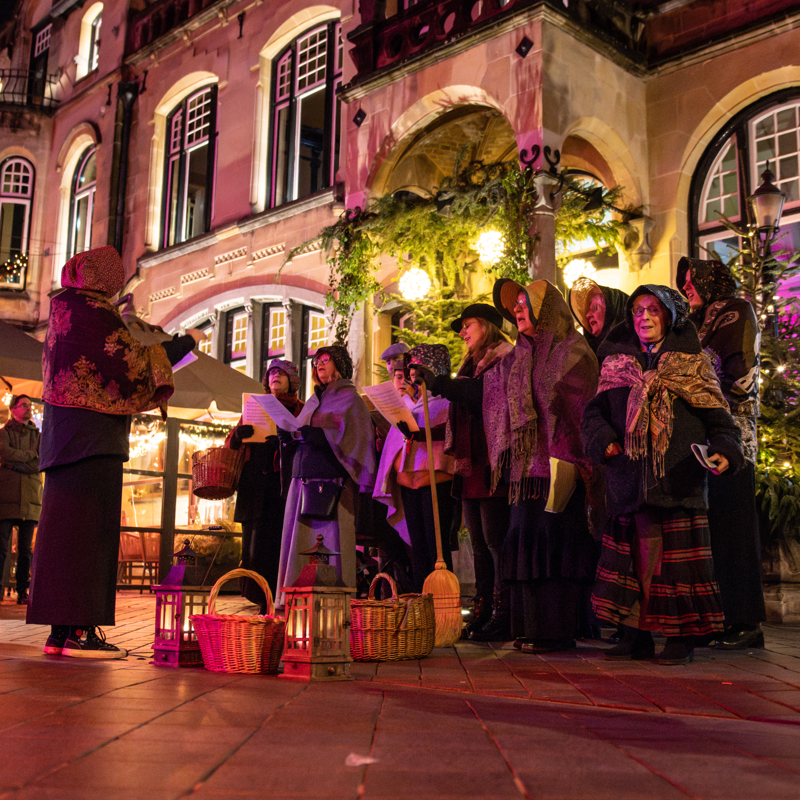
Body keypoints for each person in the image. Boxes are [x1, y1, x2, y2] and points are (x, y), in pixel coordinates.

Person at [27, 246, 203, 658]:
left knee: (62, 538)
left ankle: (59, 633)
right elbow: (131, 365)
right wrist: (184, 343)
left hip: (62, 441)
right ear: (105, 278)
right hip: (93, 441)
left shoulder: (62, 312)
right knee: (91, 537)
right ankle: (80, 631)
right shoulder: (93, 312)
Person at [582, 285, 744, 665]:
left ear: (670, 317)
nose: (644, 317)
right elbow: (593, 414)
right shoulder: (616, 365)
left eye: (653, 310)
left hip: (678, 481)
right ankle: (634, 635)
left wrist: (723, 451)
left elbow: (720, 419)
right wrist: (604, 440)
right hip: (627, 479)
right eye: (638, 310)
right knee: (635, 563)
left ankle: (680, 637)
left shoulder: (693, 364)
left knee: (673, 564)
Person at [678, 256, 766, 648]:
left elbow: (739, 373)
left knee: (734, 527)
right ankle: (718, 619)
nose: (686, 287)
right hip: (708, 434)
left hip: (735, 434)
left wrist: (707, 404)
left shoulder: (735, 311)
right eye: (682, 281)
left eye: (691, 279)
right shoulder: (699, 322)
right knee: (713, 530)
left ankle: (745, 623)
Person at [275, 344, 376, 604]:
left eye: (326, 359)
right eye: (316, 361)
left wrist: (322, 436)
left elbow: (358, 439)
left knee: (330, 544)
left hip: (332, 485)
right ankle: (296, 599)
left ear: (340, 364)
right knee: (299, 544)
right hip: (303, 481)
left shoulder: (351, 400)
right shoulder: (313, 400)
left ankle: (333, 601)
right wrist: (288, 435)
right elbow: (302, 434)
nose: (319, 364)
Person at [437, 304, 513, 639]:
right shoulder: (470, 363)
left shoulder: (504, 356)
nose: (462, 332)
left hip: (493, 462)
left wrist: (444, 385)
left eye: (468, 325)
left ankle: (504, 610)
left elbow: (487, 393)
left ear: (487, 326)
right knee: (479, 545)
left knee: (496, 541)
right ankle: (481, 609)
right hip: (470, 464)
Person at [373, 344, 456, 592]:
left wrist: (423, 434)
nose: (412, 375)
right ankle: (422, 600)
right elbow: (395, 444)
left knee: (436, 546)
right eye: (411, 369)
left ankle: (443, 602)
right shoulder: (407, 404)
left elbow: (450, 440)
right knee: (418, 547)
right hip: (409, 483)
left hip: (436, 482)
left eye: (418, 369)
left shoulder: (446, 402)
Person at [225, 359, 303, 610]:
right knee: (249, 551)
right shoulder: (253, 406)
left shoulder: (300, 410)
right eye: (271, 373)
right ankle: (256, 596)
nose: (275, 376)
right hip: (252, 488)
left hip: (278, 489)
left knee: (273, 546)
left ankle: (269, 600)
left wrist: (285, 441)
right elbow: (230, 447)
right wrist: (238, 437)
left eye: (281, 373)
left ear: (292, 380)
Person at [0, 394, 42, 605]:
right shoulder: (4, 433)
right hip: (7, 496)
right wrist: (29, 457)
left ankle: (22, 592)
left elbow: (40, 461)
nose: (28, 408)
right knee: (1, 548)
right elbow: (5, 454)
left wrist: (17, 464)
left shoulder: (39, 435)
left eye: (30, 405)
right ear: (13, 409)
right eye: (24, 405)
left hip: (30, 499)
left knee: (26, 551)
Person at [569, 277, 630, 357]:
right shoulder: (583, 357)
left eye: (595, 308)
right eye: (587, 311)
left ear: (612, 310)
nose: (588, 315)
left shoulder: (644, 353)